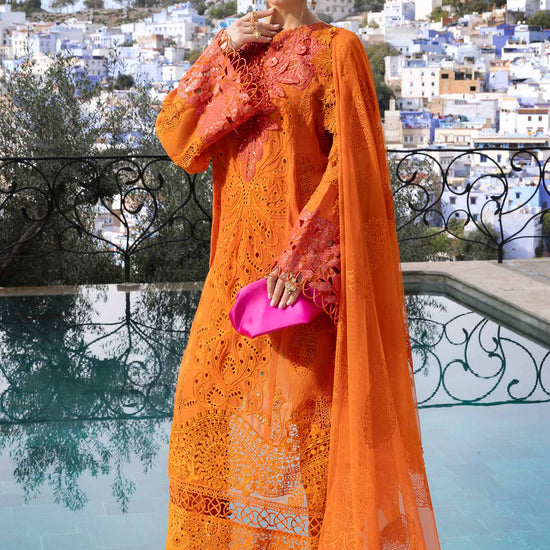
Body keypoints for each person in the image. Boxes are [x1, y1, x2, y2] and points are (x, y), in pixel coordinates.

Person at [155, 0, 442, 547]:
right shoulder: (239, 49)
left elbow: (354, 162)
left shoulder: (338, 49)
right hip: (232, 274)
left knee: (312, 433)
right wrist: (220, 51)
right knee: (201, 414)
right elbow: (177, 136)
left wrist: (305, 257)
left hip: (298, 283)